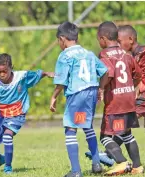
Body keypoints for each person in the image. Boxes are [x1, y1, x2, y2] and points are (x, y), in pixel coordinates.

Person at [49, 21, 108, 177]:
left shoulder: (65, 55)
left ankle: (75, 171)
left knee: (70, 129)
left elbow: (61, 82)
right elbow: (105, 71)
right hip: (91, 92)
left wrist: (53, 97)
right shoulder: (88, 53)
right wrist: (101, 88)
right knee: (87, 126)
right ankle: (96, 163)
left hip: (77, 94)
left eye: (58, 41)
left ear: (62, 39)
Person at [0, 53, 54, 174]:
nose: (1, 75)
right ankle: (1, 159)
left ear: (11, 67)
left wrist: (47, 73)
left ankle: (8, 167)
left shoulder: (21, 77)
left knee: (7, 136)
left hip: (17, 114)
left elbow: (37, 74)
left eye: (4, 71)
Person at [96, 21, 143, 175]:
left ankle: (121, 162)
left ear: (103, 39)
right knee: (126, 134)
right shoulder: (126, 54)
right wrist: (131, 87)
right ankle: (137, 167)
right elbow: (138, 75)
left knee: (105, 136)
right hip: (129, 98)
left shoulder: (103, 54)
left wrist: (101, 87)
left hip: (115, 102)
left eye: (99, 40)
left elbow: (108, 72)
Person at [117, 25, 145, 154]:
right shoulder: (133, 57)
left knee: (126, 120)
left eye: (119, 41)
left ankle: (108, 154)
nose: (118, 45)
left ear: (130, 39)